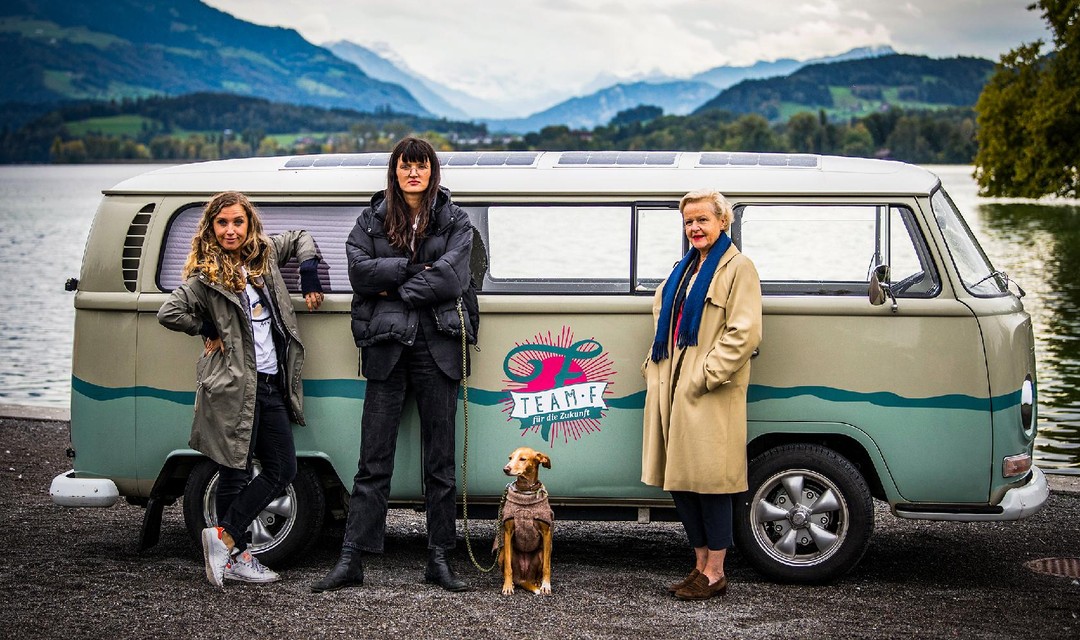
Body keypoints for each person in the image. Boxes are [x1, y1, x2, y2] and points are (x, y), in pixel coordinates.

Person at [312, 137, 479, 593]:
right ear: (395, 170)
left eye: (421, 165)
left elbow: (454, 277)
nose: (413, 173)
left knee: (440, 461)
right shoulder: (372, 217)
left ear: (432, 171)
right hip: (387, 346)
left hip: (438, 348)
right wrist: (414, 272)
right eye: (406, 165)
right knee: (373, 459)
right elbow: (357, 271)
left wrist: (395, 281)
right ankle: (352, 559)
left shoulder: (455, 218)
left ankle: (439, 558)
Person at [157, 191, 324, 587]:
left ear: (249, 224)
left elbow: (301, 236)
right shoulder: (205, 278)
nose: (231, 230)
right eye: (222, 223)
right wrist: (207, 328)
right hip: (234, 388)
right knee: (235, 471)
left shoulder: (263, 255)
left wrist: (310, 273)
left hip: (270, 384)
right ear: (211, 228)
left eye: (238, 222)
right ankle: (237, 554)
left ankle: (224, 537)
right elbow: (169, 312)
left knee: (282, 467)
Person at [641, 189, 762, 601]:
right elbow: (668, 320)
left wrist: (707, 375)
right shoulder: (686, 267)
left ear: (722, 222)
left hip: (708, 391)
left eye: (702, 220)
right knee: (682, 481)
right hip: (672, 386)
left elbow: (744, 332)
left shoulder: (738, 268)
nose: (694, 228)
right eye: (689, 221)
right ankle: (698, 565)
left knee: (711, 482)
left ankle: (715, 571)